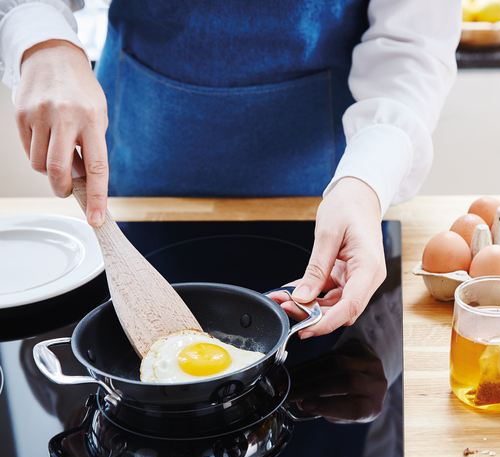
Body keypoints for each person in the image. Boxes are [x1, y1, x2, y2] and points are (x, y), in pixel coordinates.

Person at [0, 0, 460, 337]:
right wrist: (41, 39)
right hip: (145, 141)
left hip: (328, 174)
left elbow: (412, 43)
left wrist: (365, 182)